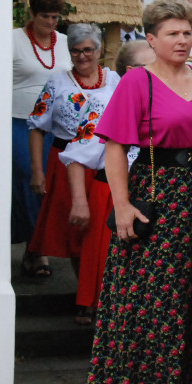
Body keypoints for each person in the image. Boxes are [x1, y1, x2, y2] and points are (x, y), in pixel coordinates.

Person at [86, 0, 192, 384]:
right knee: (172, 299)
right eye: (173, 33)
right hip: (162, 195)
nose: (184, 40)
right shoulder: (137, 83)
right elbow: (113, 146)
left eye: (188, 32)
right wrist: (122, 204)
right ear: (151, 39)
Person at [57, 38, 155, 324]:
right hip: (111, 192)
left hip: (152, 188)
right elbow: (77, 154)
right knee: (109, 264)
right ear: (128, 70)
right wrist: (79, 201)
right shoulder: (104, 101)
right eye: (146, 66)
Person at [26, 24, 121, 303]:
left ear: (99, 50)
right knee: (77, 232)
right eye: (75, 51)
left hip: (106, 164)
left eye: (87, 50)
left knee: (104, 233)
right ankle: (86, 294)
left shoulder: (115, 80)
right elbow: (36, 126)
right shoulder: (57, 83)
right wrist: (37, 171)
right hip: (67, 165)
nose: (81, 57)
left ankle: (101, 295)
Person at [12, 0, 70, 276]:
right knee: (28, 177)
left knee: (51, 183)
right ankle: (35, 247)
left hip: (55, 124)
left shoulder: (64, 42)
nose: (50, 23)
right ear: (31, 14)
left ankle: (36, 250)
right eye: (45, 16)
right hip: (18, 120)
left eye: (55, 17)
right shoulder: (12, 40)